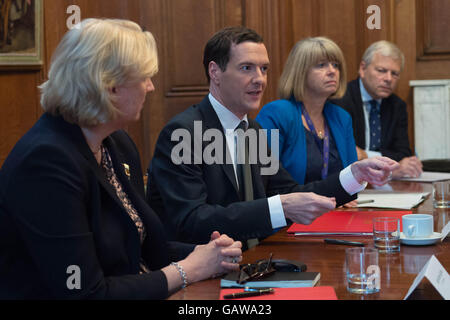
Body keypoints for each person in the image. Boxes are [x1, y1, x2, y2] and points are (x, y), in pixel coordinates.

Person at [0, 18, 242, 300]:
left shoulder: (116, 143)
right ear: (110, 87)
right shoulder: (45, 163)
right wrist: (188, 269)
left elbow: (138, 246)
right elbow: (84, 292)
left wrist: (210, 255)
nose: (150, 87)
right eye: (144, 77)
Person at [147, 26, 398, 248]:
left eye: (264, 69)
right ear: (215, 72)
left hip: (254, 261)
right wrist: (281, 206)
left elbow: (289, 191)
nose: (260, 79)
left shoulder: (251, 130)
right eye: (247, 68)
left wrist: (353, 176)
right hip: (198, 275)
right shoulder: (184, 132)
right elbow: (192, 220)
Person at [256, 37, 357, 188]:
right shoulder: (277, 114)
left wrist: (347, 194)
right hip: (291, 208)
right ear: (300, 72)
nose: (332, 71)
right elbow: (265, 177)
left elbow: (353, 175)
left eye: (336, 65)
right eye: (321, 65)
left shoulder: (342, 117)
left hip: (337, 208)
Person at [332, 40, 423, 178]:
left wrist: (366, 155)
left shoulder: (397, 105)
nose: (388, 79)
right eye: (381, 71)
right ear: (363, 68)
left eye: (395, 74)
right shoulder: (340, 100)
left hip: (385, 185)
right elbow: (343, 153)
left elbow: (403, 154)